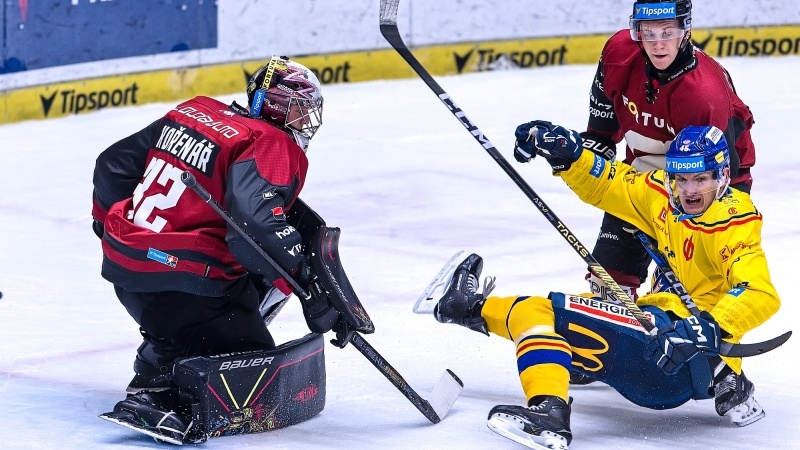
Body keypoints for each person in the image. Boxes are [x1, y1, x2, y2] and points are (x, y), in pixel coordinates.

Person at [432, 122, 780, 449]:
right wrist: (570, 155)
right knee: (539, 314)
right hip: (651, 335)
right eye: (681, 178)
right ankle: (467, 309)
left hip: (673, 356)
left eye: (700, 179)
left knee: (542, 311)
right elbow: (612, 183)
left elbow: (758, 291)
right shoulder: (663, 194)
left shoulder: (732, 221)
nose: (688, 190)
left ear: (722, 178)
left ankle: (549, 414)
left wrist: (709, 327)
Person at [91, 55, 334, 443]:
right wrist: (308, 287)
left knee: (255, 281)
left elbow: (111, 167)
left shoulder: (196, 111)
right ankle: (169, 399)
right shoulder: (271, 143)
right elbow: (256, 228)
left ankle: (162, 353)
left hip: (127, 269)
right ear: (271, 104)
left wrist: (109, 225)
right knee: (250, 370)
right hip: (181, 285)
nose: (303, 120)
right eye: (296, 108)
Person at [566, 0, 757, 304]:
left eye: (667, 32)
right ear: (636, 30)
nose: (657, 44)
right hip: (645, 172)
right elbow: (600, 137)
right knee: (608, 287)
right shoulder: (617, 54)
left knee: (685, 301)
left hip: (713, 183)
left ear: (686, 30)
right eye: (648, 32)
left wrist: (679, 248)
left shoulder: (702, 94)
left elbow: (717, 180)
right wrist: (571, 158)